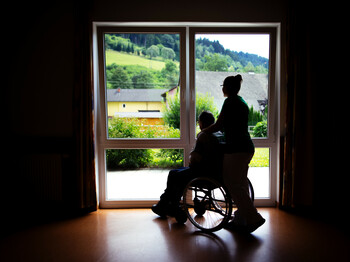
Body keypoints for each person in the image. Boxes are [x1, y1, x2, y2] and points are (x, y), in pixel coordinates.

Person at [203, 74, 265, 233]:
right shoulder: (242, 102)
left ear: (228, 87)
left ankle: (253, 217)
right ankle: (240, 219)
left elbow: (218, 125)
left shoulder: (229, 102)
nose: (222, 88)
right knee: (241, 184)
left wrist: (203, 132)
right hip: (246, 147)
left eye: (223, 85)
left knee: (232, 184)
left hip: (236, 149)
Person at [152, 111, 223, 219]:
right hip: (217, 173)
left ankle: (169, 205)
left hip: (203, 173)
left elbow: (195, 159)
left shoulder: (204, 135)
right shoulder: (219, 134)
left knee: (174, 175)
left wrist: (191, 160)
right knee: (177, 173)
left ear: (202, 123)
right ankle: (165, 204)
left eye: (199, 122)